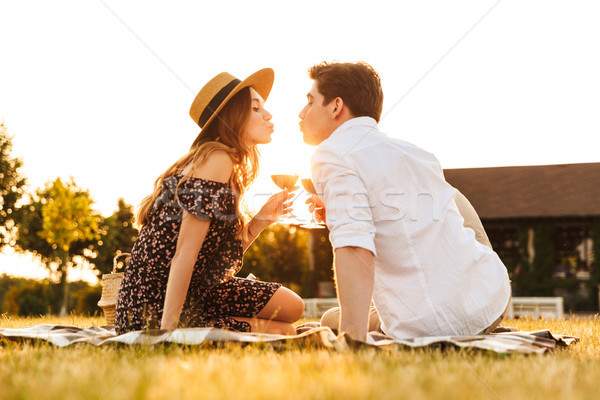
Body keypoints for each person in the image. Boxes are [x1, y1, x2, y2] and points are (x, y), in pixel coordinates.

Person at [299, 61, 511, 342]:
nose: (301, 113)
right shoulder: (418, 154)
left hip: (428, 327)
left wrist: (351, 339)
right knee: (447, 197)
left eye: (310, 102)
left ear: (336, 106)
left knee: (330, 320)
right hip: (490, 303)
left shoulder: (332, 153)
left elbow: (353, 246)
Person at [115, 68, 304, 335]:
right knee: (287, 332)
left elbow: (214, 263)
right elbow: (185, 253)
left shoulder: (219, 161)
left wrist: (262, 219)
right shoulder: (217, 159)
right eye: (256, 108)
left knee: (293, 307)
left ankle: (215, 320)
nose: (268, 114)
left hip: (197, 289)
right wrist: (167, 332)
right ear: (233, 116)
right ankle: (189, 325)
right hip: (153, 306)